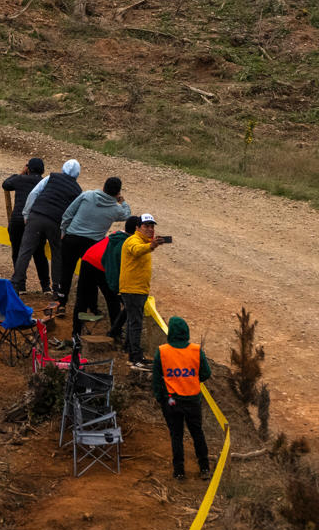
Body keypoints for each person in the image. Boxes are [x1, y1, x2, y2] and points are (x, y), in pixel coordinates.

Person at [61, 175, 130, 320]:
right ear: (117, 193)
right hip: (92, 244)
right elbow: (127, 215)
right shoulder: (116, 210)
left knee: (66, 271)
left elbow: (69, 213)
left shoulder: (87, 195)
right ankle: (92, 307)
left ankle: (61, 303)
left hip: (72, 237)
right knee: (91, 278)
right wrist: (122, 201)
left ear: (103, 187)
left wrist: (63, 230)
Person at [152, 315, 213, 480]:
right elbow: (206, 373)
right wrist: (192, 379)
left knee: (176, 435)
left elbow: (157, 379)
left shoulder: (162, 351)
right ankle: (205, 468)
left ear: (170, 332)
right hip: (192, 400)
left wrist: (161, 397)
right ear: (186, 331)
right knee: (197, 433)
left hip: (172, 401)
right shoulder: (195, 350)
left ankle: (179, 471)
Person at [14, 158, 82, 295]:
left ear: (63, 168)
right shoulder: (77, 190)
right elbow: (72, 212)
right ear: (77, 174)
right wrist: (64, 229)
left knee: (25, 251)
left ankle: (16, 283)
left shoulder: (52, 177)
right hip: (56, 222)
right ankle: (56, 287)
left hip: (37, 215)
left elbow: (34, 193)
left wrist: (26, 214)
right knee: (57, 254)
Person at [119, 214, 171, 364]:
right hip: (133, 289)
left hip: (136, 289)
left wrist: (152, 244)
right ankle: (135, 357)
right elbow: (136, 250)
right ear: (137, 228)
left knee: (132, 321)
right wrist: (151, 245)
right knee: (136, 323)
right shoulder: (133, 241)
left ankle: (130, 350)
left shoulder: (144, 242)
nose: (150, 229)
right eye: (146, 226)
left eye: (152, 226)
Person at [2, 157, 50, 292]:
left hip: (17, 220)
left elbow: (5, 184)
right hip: (36, 222)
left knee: (17, 252)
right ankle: (46, 287)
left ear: (28, 168)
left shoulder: (20, 179)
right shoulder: (45, 182)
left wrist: (21, 173)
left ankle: (21, 285)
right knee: (39, 253)